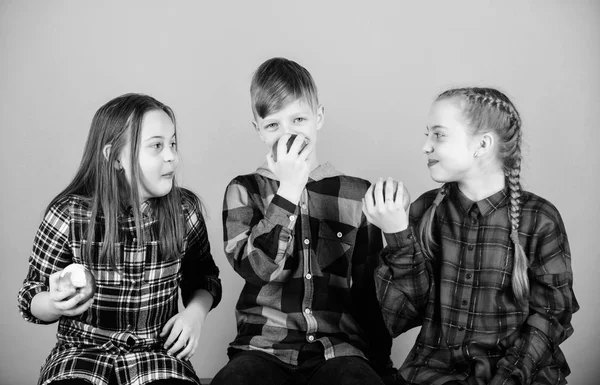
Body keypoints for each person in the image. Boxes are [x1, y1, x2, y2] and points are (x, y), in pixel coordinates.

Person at [363, 87, 579, 385]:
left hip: (520, 375)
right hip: (433, 375)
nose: (425, 146)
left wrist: (507, 378)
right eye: (427, 134)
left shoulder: (539, 218)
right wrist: (397, 234)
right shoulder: (425, 211)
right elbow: (400, 317)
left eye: (438, 135)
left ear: (482, 144)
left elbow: (551, 316)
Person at [18, 93, 222, 385]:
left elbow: (204, 278)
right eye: (156, 146)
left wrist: (195, 314)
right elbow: (30, 296)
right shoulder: (68, 214)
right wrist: (54, 303)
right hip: (79, 355)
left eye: (173, 144)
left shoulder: (184, 211)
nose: (171, 156)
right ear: (114, 158)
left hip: (157, 355)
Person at [212, 57, 394, 385]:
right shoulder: (243, 190)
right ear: (258, 130)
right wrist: (289, 191)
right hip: (262, 347)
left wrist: (380, 364)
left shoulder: (356, 193)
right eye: (273, 126)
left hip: (339, 349)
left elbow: (369, 290)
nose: (288, 135)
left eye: (298, 119)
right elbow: (256, 270)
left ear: (318, 117)